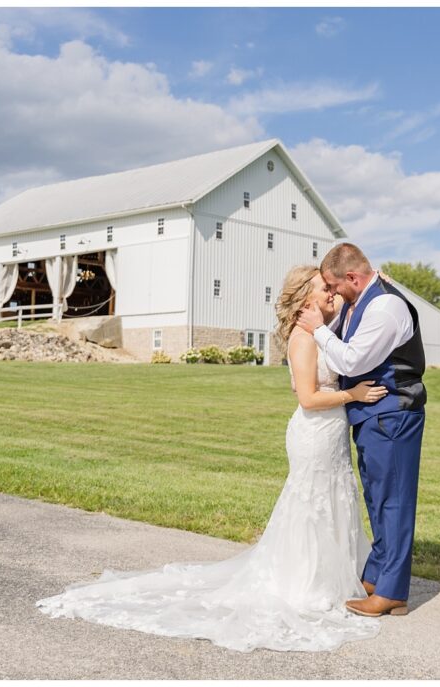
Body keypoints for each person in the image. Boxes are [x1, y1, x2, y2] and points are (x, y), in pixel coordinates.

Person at [35, 265, 387, 653]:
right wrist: (352, 396)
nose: (331, 295)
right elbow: (308, 398)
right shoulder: (303, 340)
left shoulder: (321, 333)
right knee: (311, 504)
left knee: (334, 500)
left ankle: (338, 574)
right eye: (324, 289)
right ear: (306, 299)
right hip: (315, 430)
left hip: (330, 434)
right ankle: (306, 582)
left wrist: (376, 285)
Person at [296, 243, 426, 618]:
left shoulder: (385, 307)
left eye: (336, 287)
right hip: (373, 416)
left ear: (353, 277)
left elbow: (352, 358)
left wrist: (320, 331)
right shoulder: (360, 303)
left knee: (394, 502)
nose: (333, 295)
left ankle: (391, 592)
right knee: (378, 498)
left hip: (393, 413)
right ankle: (377, 575)